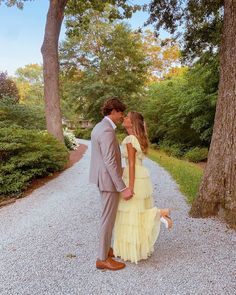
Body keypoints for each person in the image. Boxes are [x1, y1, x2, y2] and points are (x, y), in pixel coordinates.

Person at [113, 111, 173, 264]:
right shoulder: (139, 138)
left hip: (133, 178)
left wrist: (130, 187)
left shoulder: (130, 138)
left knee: (131, 212)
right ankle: (158, 215)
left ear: (132, 122)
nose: (124, 118)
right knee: (136, 212)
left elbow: (131, 164)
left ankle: (159, 213)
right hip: (141, 176)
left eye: (127, 117)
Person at [89, 98, 133, 271]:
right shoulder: (107, 130)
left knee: (106, 217)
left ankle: (106, 249)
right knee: (107, 219)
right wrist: (122, 187)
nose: (122, 116)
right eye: (121, 112)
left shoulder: (99, 127)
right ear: (113, 111)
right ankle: (102, 259)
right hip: (108, 182)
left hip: (103, 179)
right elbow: (109, 161)